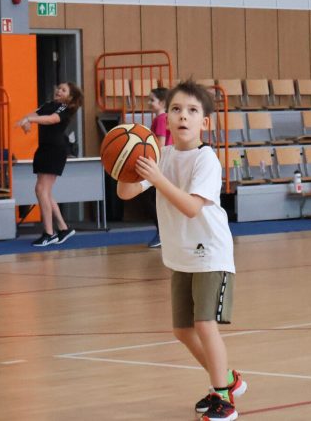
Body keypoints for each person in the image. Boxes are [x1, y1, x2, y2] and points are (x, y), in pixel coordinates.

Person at [115, 80, 246, 421]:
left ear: (205, 122)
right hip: (181, 255)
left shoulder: (206, 160)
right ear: (166, 119)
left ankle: (223, 398)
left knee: (204, 324)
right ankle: (228, 380)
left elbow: (191, 207)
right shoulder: (162, 156)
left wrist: (157, 178)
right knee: (182, 330)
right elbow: (126, 193)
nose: (183, 116)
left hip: (211, 253)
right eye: (176, 109)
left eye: (192, 110)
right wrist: (123, 162)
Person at [16, 82, 84, 247]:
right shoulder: (49, 105)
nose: (59, 91)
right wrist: (26, 120)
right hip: (45, 149)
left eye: (63, 90)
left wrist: (30, 120)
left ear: (70, 97)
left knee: (40, 190)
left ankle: (48, 233)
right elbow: (35, 113)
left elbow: (51, 119)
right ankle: (63, 228)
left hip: (55, 150)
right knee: (45, 191)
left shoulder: (64, 108)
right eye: (58, 88)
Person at [146, 87, 170, 248]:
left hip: (161, 164)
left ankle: (163, 233)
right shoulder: (161, 118)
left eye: (152, 99)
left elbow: (160, 143)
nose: (148, 102)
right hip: (164, 163)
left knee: (154, 200)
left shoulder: (161, 119)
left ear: (161, 102)